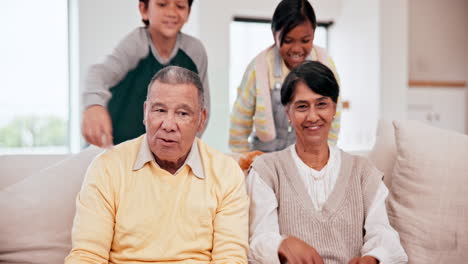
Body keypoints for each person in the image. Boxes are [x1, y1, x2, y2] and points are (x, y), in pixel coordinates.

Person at [65, 66, 248, 264]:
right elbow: (87, 256)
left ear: (201, 120)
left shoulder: (226, 172)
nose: (168, 125)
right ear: (145, 112)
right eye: (160, 110)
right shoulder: (107, 167)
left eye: (182, 114)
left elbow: (230, 258)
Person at [247, 61, 408, 264]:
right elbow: (257, 241)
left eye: (321, 104)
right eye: (302, 106)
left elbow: (385, 238)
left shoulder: (363, 172)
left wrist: (373, 258)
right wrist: (281, 245)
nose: (312, 116)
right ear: (288, 113)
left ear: (334, 108)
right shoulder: (266, 170)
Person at [82, 0, 210, 147]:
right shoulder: (136, 44)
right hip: (115, 147)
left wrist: (185, 145)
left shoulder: (195, 51)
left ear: (188, 13)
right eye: (162, 4)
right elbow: (98, 73)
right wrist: (94, 105)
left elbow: (202, 106)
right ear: (144, 9)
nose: (172, 13)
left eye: (180, 6)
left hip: (161, 153)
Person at [229, 0, 341, 153]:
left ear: (314, 33)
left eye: (305, 40)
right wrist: (240, 161)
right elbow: (239, 122)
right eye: (288, 41)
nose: (296, 49)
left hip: (307, 157)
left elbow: (334, 118)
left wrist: (326, 156)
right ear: (274, 34)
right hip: (266, 156)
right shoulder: (260, 67)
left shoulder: (324, 63)